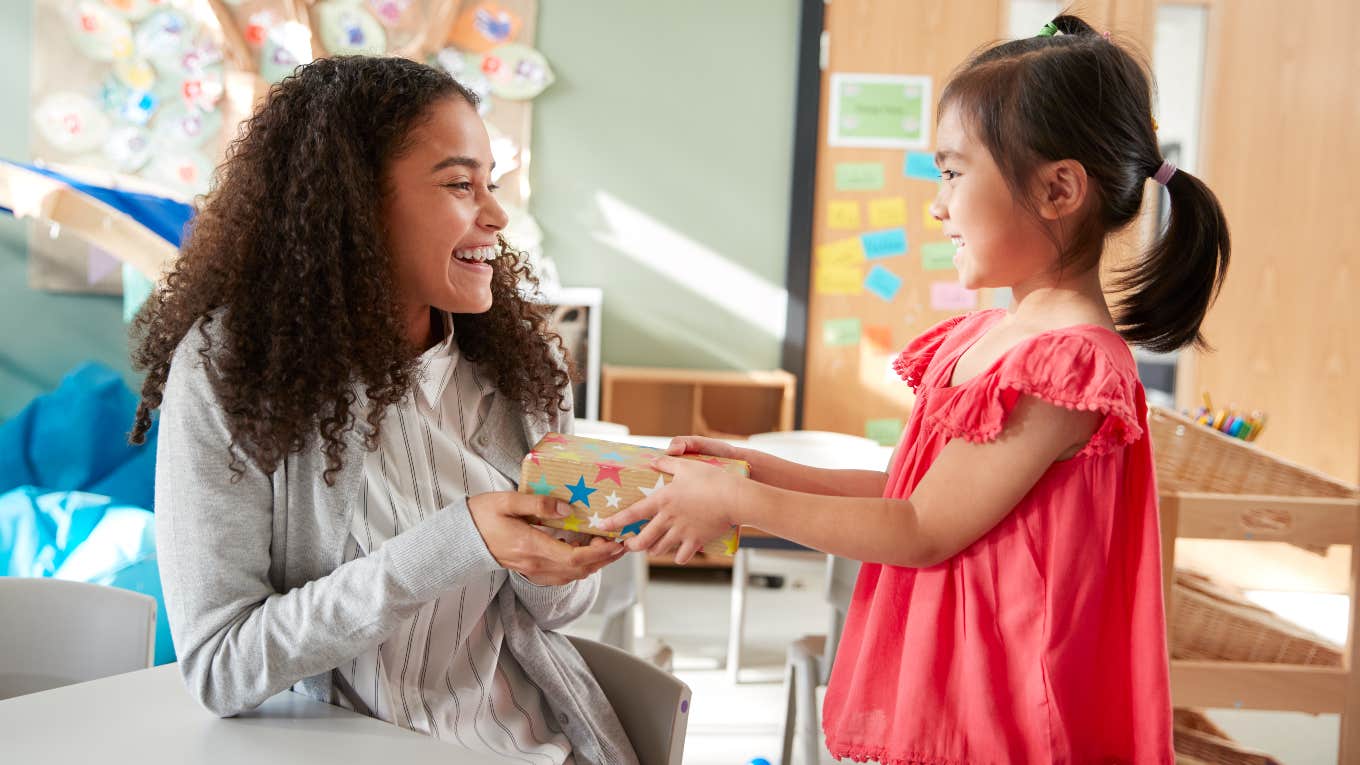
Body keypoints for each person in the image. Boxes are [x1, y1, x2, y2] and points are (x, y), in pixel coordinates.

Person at [604, 15, 1230, 763]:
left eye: (954, 173)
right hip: (954, 680)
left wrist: (736, 503)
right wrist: (750, 468)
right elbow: (908, 493)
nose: (937, 206)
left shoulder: (1068, 368)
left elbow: (923, 529)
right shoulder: (991, 337)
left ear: (1060, 188)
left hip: (1001, 708)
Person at [130, 55, 636, 765]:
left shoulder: (527, 368)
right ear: (356, 203)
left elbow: (555, 614)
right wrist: (459, 540)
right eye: (461, 184)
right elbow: (221, 666)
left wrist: (560, 558)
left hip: (524, 746)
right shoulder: (233, 371)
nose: (494, 214)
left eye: (491, 184)